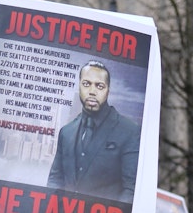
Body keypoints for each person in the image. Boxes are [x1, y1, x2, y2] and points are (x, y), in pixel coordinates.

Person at [46, 60, 140, 203]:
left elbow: (131, 190)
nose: (92, 91)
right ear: (79, 86)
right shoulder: (66, 132)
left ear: (108, 91)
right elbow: (55, 180)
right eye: (86, 84)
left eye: (99, 86)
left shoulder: (129, 131)